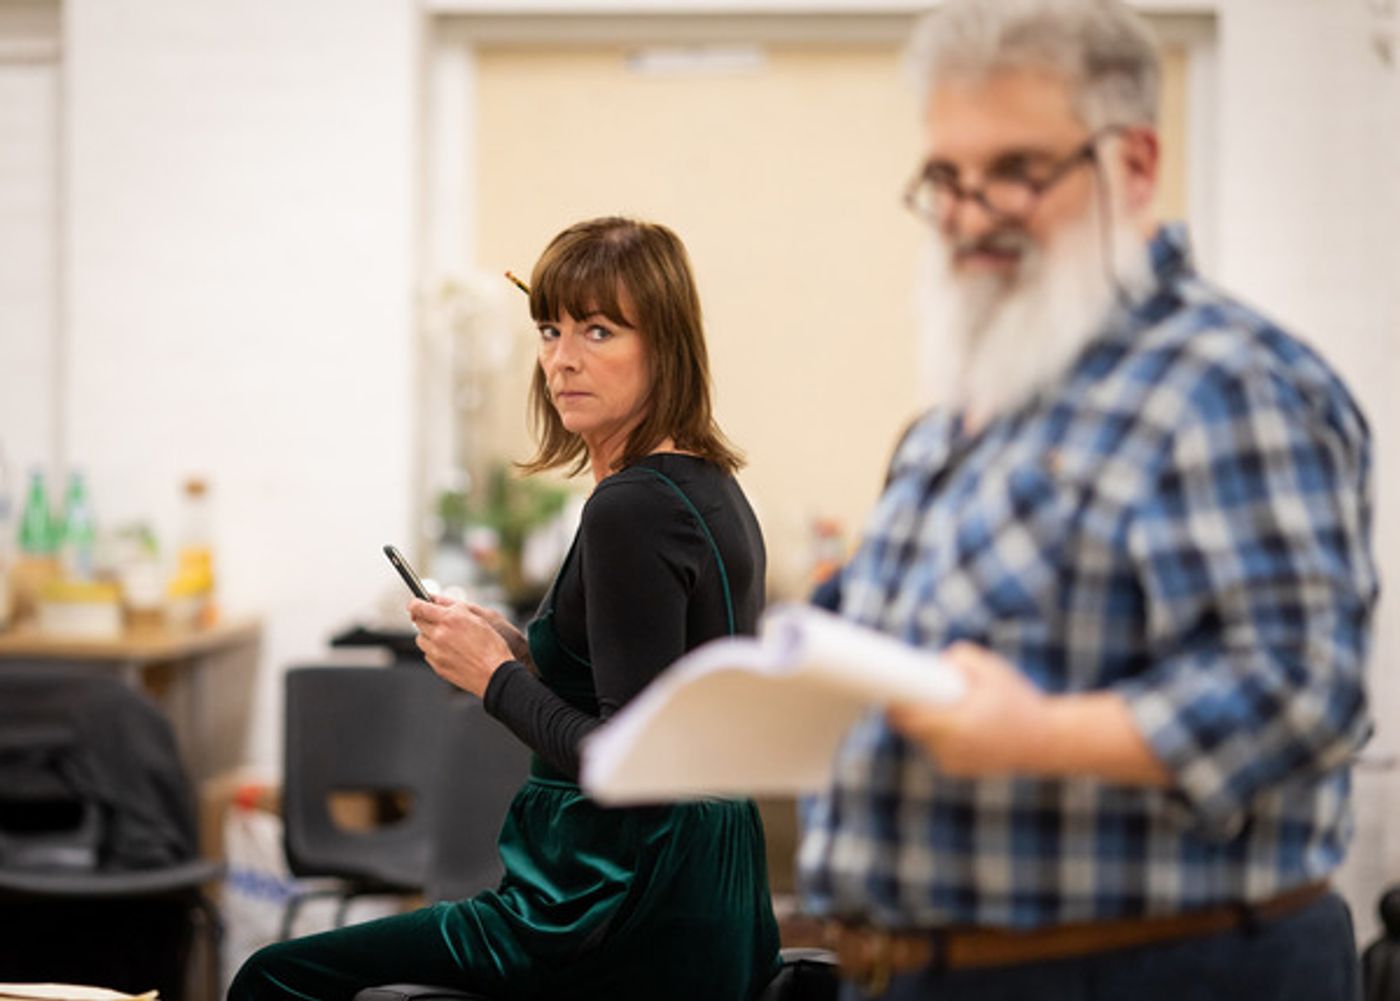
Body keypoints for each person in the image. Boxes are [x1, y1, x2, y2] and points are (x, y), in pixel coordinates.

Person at [796, 2, 1379, 1000]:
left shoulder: (1224, 382)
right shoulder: (977, 405)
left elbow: (1300, 685)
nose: (969, 213)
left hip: (1152, 970)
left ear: (1133, 164)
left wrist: (1041, 735)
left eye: (1017, 170)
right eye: (946, 177)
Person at [230, 217, 780, 1001]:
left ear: (665, 344)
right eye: (550, 330)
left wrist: (493, 678)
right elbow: (648, 696)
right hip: (708, 885)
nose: (562, 359)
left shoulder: (629, 507)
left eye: (598, 330)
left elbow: (627, 765)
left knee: (276, 976)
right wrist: (519, 651)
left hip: (612, 899)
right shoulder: (708, 485)